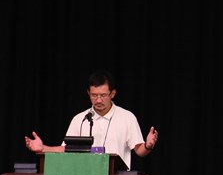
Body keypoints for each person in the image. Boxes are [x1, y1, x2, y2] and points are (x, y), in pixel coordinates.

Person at [25, 70, 158, 169]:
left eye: (103, 95)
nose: (98, 100)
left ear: (113, 94)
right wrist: (43, 148)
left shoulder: (127, 117)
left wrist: (147, 145)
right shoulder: (80, 119)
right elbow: (66, 149)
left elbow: (139, 151)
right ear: (88, 93)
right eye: (94, 95)